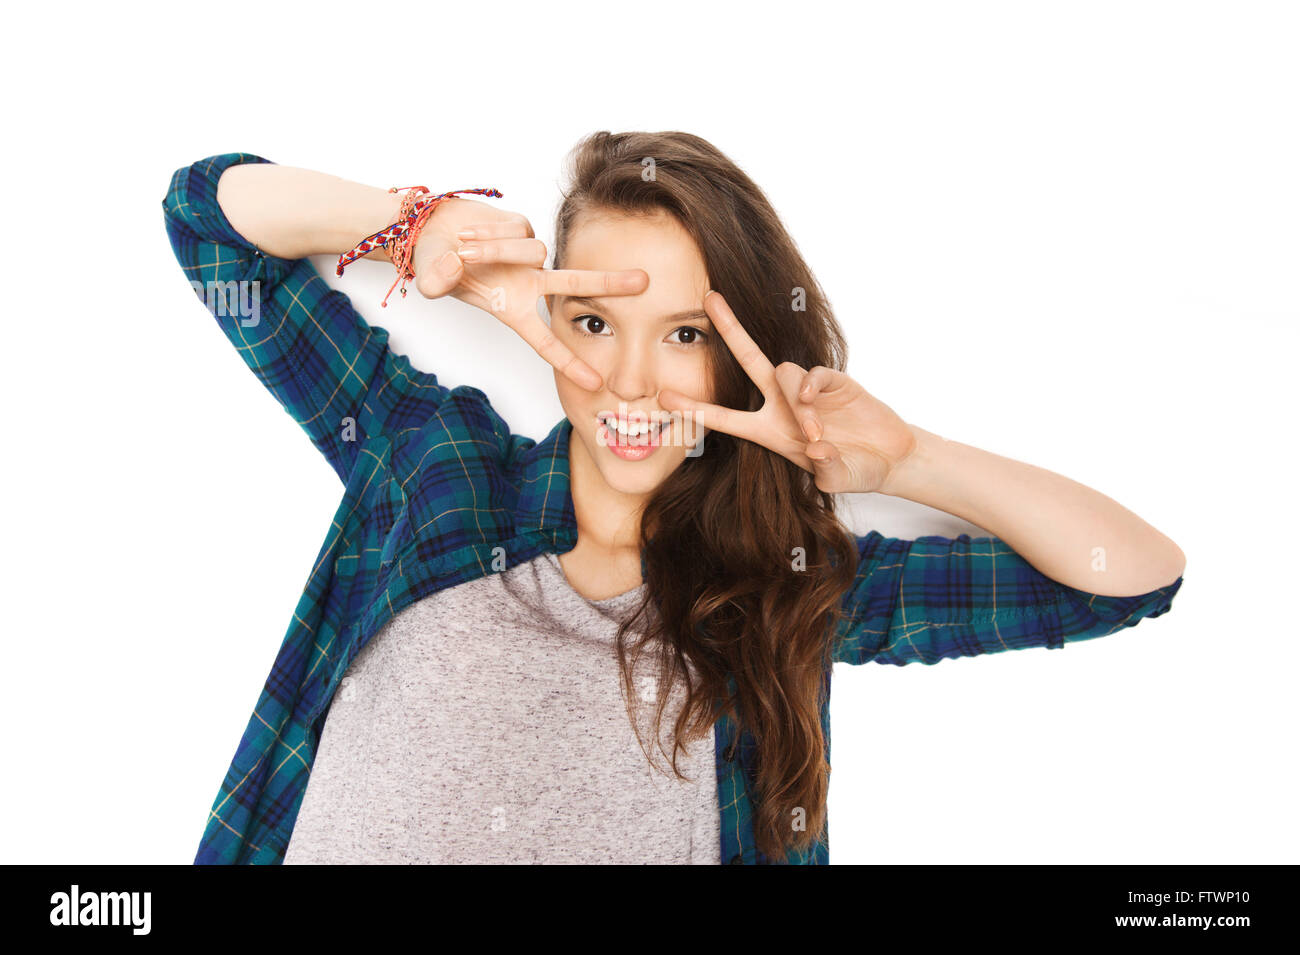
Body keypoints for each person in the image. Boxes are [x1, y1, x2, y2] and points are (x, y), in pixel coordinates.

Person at [162, 131, 1185, 865]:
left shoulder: (780, 585)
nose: (634, 382)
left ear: (738, 361)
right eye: (599, 321)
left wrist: (907, 459)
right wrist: (412, 223)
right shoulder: (437, 469)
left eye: (685, 335)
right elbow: (207, 219)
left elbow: (1124, 579)